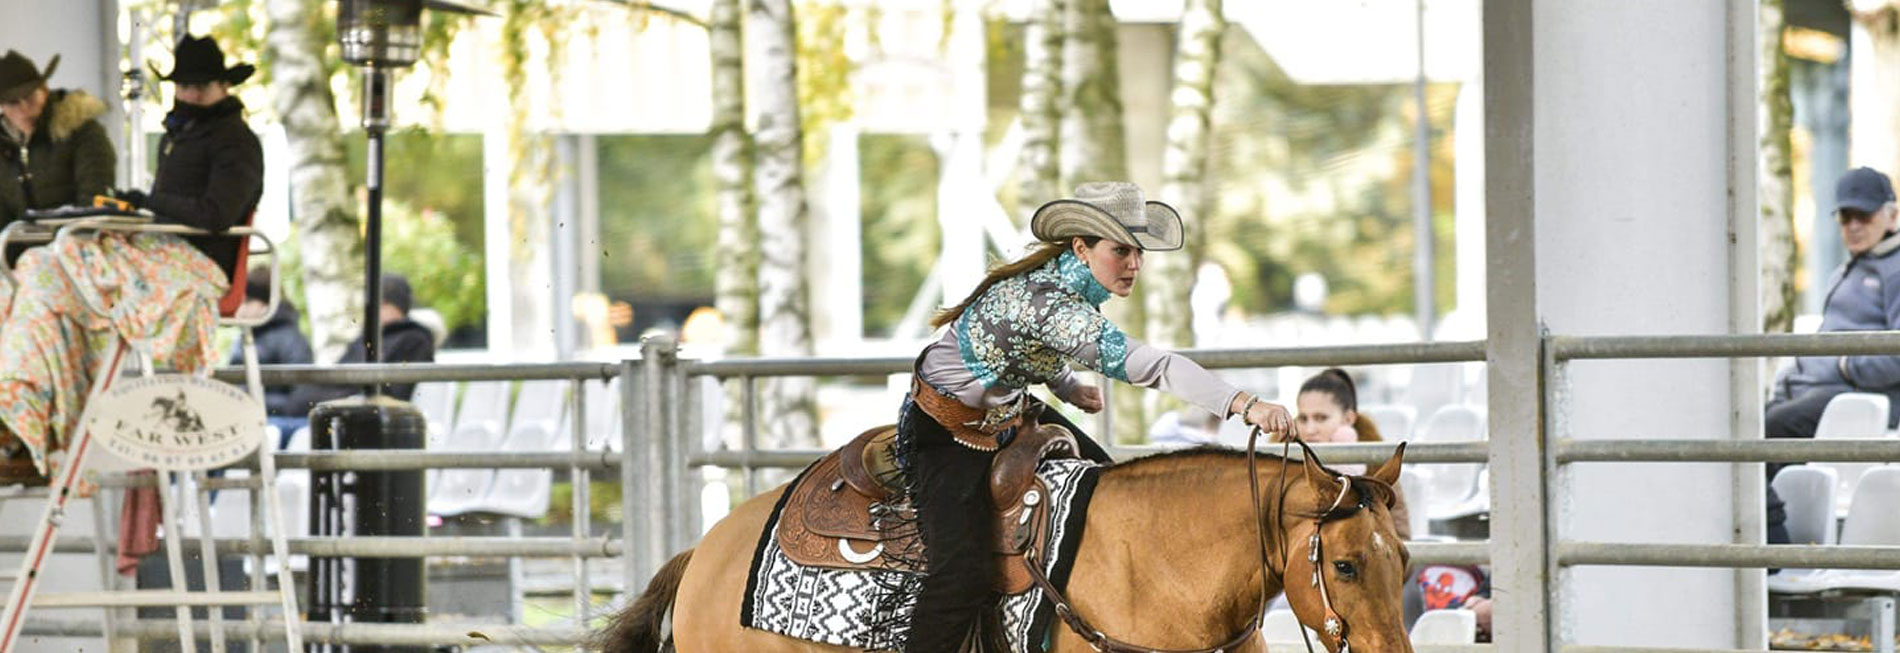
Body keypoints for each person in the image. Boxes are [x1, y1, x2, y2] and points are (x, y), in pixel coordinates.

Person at [900, 181, 1293, 652]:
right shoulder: (1049, 302)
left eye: (1139, 252)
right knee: (961, 571)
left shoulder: (1063, 286)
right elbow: (1155, 366)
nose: (1134, 264)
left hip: (1008, 415)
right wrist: (1248, 405)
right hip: (945, 430)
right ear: (1081, 248)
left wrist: (1065, 385)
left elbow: (1016, 346)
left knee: (1109, 492)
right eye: (1121, 250)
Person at [1764, 166, 1900, 544]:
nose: (1853, 225)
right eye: (1845, 216)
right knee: (1746, 426)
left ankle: (1776, 546)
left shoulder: (1895, 269)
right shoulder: (1846, 271)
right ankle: (1772, 540)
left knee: (1766, 432)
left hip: (1855, 396)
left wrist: (1845, 364)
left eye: (1864, 215)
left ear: (1891, 214)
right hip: (1814, 390)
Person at [112, 35, 265, 275]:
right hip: (164, 252)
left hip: (202, 265)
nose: (192, 95)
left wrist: (147, 202)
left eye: (202, 87)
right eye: (184, 86)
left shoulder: (236, 141)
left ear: (224, 86)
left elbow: (216, 215)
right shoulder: (176, 135)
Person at [285, 274, 438, 418]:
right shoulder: (367, 337)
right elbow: (338, 373)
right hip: (335, 411)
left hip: (358, 416)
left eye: (382, 304)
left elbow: (396, 395)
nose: (373, 310)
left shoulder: (414, 340)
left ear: (396, 306)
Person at [1291, 368, 1412, 535]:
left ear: (1348, 419)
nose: (1310, 429)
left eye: (1321, 418)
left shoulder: (1377, 466)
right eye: (1303, 419)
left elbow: (1399, 534)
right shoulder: (1283, 460)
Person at [0, 49, 114, 224]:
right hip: (17, 244)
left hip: (76, 241)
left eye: (30, 97)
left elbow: (95, 201)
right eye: (13, 102)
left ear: (44, 91)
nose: (24, 108)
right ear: (3, 108)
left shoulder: (82, 130)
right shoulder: (4, 146)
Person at [226, 267, 314, 435]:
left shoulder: (290, 339)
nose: (240, 310)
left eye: (247, 302)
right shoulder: (244, 339)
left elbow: (301, 396)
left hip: (277, 422)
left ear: (265, 304)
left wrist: (249, 401)